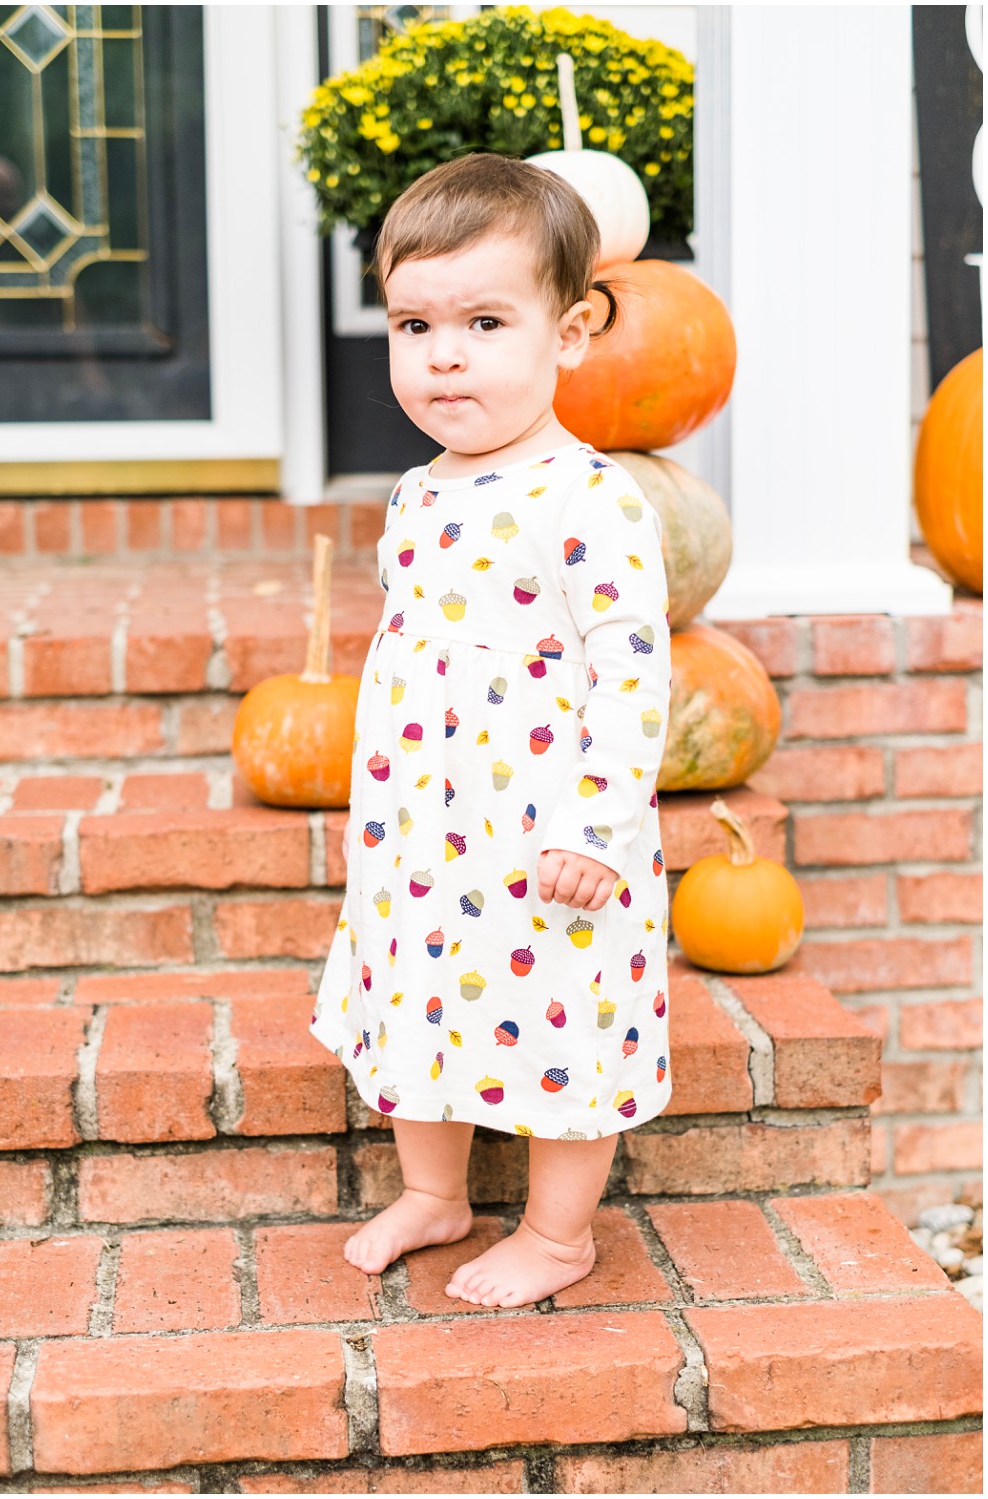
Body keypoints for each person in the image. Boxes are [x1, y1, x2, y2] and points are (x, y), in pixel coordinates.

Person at [309, 152, 673, 1308]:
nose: (442, 353)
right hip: (421, 829)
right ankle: (434, 1190)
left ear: (568, 334)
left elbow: (630, 678)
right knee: (417, 990)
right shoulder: (415, 494)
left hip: (541, 840)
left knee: (560, 1019)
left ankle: (559, 1234)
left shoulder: (590, 500)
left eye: (481, 320)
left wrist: (593, 823)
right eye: (412, 322)